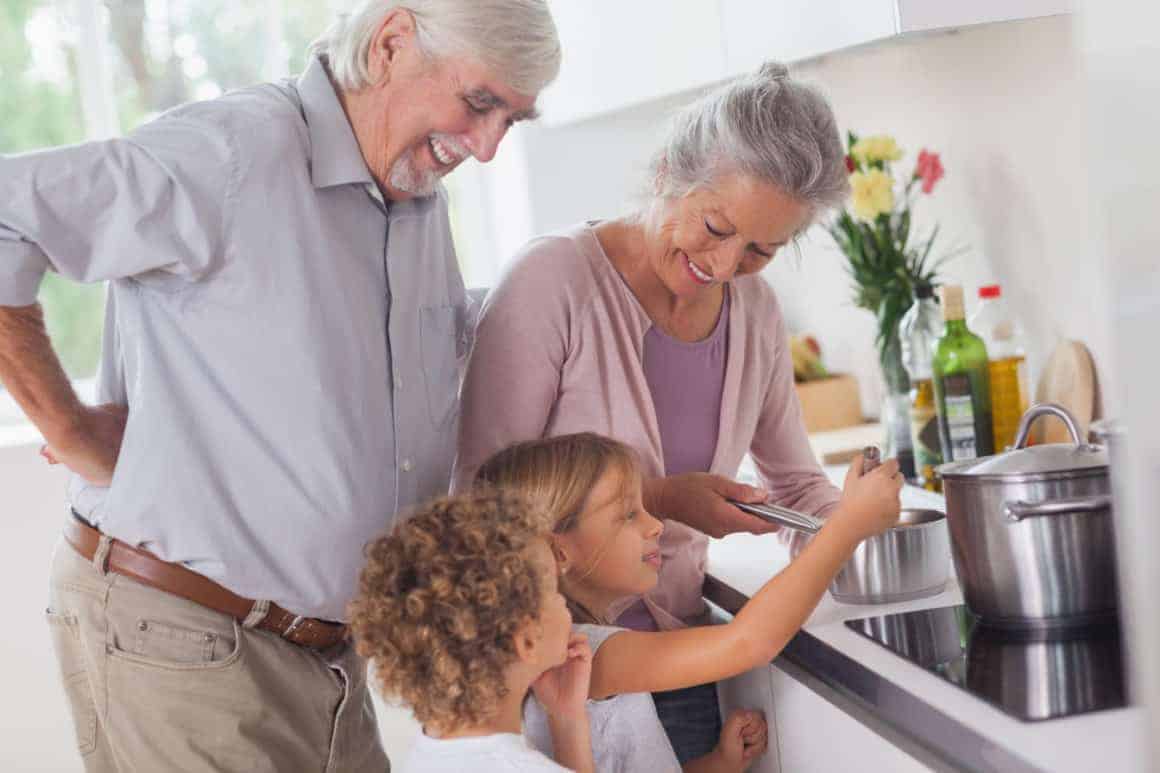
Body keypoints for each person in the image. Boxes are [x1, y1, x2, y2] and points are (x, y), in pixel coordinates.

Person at [0, 1, 560, 770]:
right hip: (187, 643)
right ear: (393, 43)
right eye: (481, 103)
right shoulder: (232, 153)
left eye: (513, 122)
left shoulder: (417, 202)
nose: (489, 147)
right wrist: (64, 426)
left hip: (328, 660)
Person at [454, 61, 853, 760]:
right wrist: (666, 498)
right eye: (715, 226)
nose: (726, 265)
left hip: (683, 660)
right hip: (557, 671)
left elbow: (797, 488)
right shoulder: (552, 285)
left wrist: (874, 543)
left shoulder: (754, 314)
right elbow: (482, 510)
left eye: (762, 249)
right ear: (670, 169)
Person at [475, 433, 902, 771]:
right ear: (560, 552)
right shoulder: (587, 655)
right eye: (627, 515)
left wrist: (716, 764)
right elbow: (748, 643)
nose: (655, 525)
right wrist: (846, 526)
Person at [349, 490, 594, 773]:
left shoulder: (422, 760)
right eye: (554, 590)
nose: (564, 600)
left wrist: (566, 718)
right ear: (527, 641)